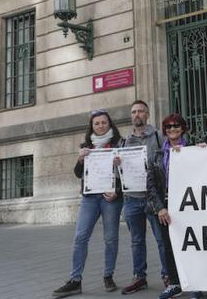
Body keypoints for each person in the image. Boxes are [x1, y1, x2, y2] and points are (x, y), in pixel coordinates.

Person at [53, 109, 125, 298]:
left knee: (110, 239)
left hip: (111, 198)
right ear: (92, 127)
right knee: (80, 237)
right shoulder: (86, 146)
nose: (101, 126)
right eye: (97, 123)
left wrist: (120, 168)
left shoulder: (119, 143)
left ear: (110, 124)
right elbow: (78, 173)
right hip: (90, 198)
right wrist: (80, 159)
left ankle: (108, 276)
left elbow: (129, 174)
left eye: (104, 122)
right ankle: (75, 280)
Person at [121, 100, 169, 295]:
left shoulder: (158, 136)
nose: (137, 115)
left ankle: (168, 276)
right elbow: (119, 173)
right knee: (136, 240)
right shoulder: (125, 141)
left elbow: (168, 159)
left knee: (161, 240)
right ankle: (139, 276)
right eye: (134, 112)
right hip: (131, 198)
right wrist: (117, 164)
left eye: (141, 111)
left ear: (147, 115)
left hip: (153, 198)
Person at [147, 113, 193, 299]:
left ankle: (193, 282)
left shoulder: (193, 150)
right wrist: (160, 208)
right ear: (165, 131)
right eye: (168, 127)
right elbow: (150, 185)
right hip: (166, 204)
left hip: (189, 203)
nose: (172, 129)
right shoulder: (156, 156)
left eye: (176, 126)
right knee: (168, 245)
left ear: (182, 128)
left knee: (191, 243)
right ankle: (175, 282)